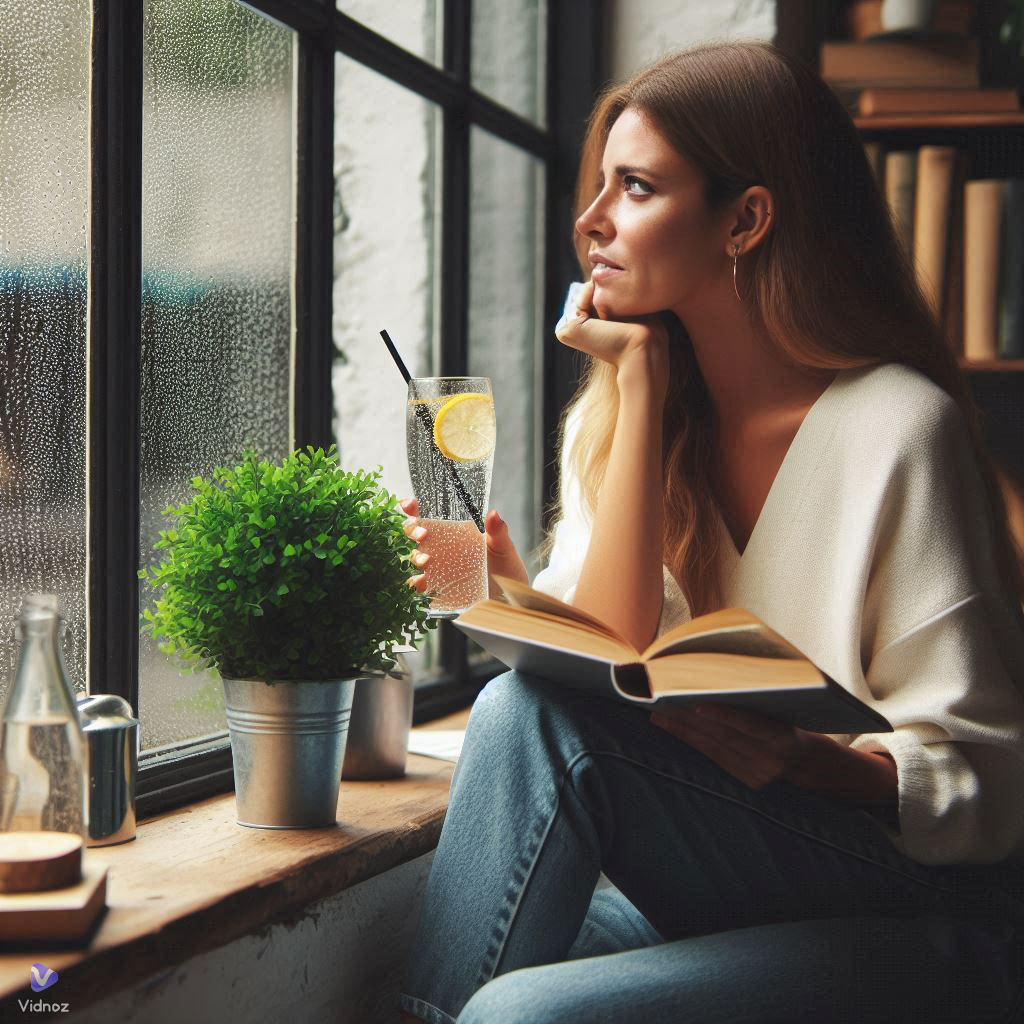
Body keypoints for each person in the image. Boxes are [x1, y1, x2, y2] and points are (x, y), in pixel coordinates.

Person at [396, 39, 1024, 1024]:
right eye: (598, 184)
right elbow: (604, 655)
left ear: (746, 218)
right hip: (726, 881)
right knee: (515, 720)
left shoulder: (901, 429)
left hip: (915, 913)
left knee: (518, 1014)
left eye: (635, 187)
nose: (590, 220)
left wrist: (822, 763)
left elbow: (991, 779)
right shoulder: (618, 423)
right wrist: (633, 395)